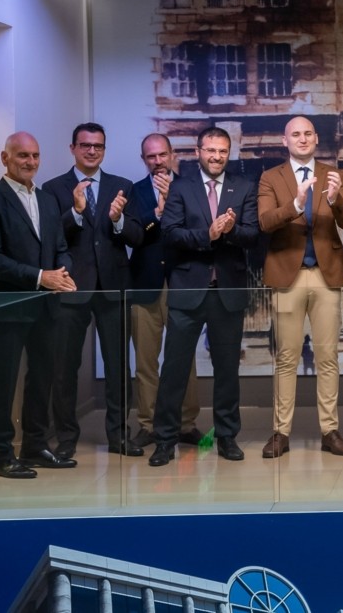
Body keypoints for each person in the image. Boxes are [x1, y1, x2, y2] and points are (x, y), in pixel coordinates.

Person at [148, 127, 259, 467]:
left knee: (227, 370)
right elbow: (170, 234)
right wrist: (206, 235)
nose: (216, 156)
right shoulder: (181, 187)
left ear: (229, 153)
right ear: (198, 151)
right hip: (188, 290)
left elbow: (253, 234)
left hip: (227, 292)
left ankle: (227, 436)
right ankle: (164, 440)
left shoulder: (244, 187)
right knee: (175, 369)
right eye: (210, 150)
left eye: (222, 151)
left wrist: (231, 231)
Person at [0, 132, 77, 479]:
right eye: (22, 156)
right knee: (2, 383)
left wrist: (62, 273)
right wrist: (41, 277)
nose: (30, 162)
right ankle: (2, 454)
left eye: (35, 156)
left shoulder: (47, 200)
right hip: (7, 308)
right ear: (5, 158)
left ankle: (35, 445)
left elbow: (60, 247)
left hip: (46, 307)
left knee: (42, 379)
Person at [42, 123, 144, 458]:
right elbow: (50, 236)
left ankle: (119, 436)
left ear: (104, 150)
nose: (91, 151)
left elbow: (136, 237)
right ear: (72, 148)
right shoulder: (53, 188)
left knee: (118, 367)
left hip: (113, 287)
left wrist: (117, 219)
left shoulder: (122, 186)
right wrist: (75, 212)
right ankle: (66, 438)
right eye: (85, 145)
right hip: (70, 286)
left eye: (98, 146)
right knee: (64, 367)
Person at [257, 116, 343, 458]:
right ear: (284, 141)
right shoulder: (271, 177)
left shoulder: (334, 174)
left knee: (328, 356)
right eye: (295, 134)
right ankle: (280, 432)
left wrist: (335, 199)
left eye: (308, 134)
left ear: (316, 139)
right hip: (288, 274)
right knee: (287, 357)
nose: (302, 139)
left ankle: (330, 430)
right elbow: (265, 222)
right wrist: (297, 204)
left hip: (326, 275)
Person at [125, 134, 202, 450]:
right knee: (145, 360)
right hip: (145, 284)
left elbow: (199, 230)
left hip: (183, 282)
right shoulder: (134, 191)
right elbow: (131, 235)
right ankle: (148, 424)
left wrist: (172, 203)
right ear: (143, 159)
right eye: (150, 157)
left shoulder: (191, 187)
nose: (157, 161)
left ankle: (186, 423)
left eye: (161, 155)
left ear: (172, 155)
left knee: (185, 359)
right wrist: (156, 215)